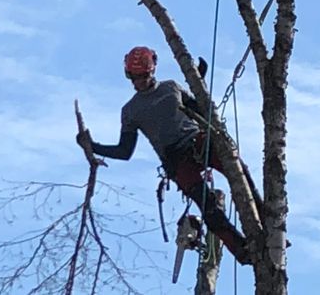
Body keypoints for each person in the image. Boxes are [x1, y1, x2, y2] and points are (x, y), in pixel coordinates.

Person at [77, 46, 261, 264]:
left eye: (143, 76)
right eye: (135, 77)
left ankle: (265, 218)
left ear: (151, 71)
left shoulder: (171, 87)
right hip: (176, 159)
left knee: (237, 169)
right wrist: (93, 146)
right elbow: (125, 151)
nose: (140, 82)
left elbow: (201, 110)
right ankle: (242, 250)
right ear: (129, 76)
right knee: (208, 206)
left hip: (197, 141)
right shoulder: (130, 111)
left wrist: (197, 82)